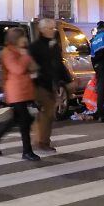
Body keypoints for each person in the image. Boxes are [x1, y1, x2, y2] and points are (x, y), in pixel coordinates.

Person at [0, 28, 39, 161]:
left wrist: (25, 55)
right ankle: (27, 151)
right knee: (25, 120)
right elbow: (18, 69)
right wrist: (25, 55)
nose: (26, 39)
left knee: (19, 119)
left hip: (24, 90)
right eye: (24, 37)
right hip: (16, 91)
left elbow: (34, 67)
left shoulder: (20, 51)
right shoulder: (8, 52)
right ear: (17, 38)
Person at [29, 18, 70, 153]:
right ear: (42, 30)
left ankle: (41, 139)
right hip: (40, 84)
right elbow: (31, 66)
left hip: (50, 84)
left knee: (48, 113)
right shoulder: (35, 47)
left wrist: (68, 80)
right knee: (47, 112)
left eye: (53, 28)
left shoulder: (53, 45)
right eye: (50, 28)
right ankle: (42, 142)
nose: (53, 31)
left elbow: (59, 64)